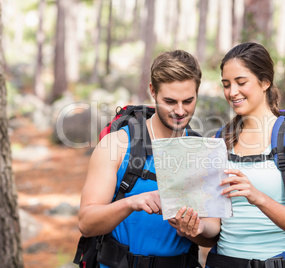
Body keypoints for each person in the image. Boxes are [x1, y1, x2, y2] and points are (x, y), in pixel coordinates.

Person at [177, 42, 285, 267]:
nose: (232, 92)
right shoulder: (219, 141)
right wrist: (195, 228)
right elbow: (214, 227)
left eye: (241, 82)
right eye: (226, 84)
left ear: (265, 82)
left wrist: (257, 197)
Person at [78, 50, 218, 268]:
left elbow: (210, 237)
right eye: (170, 101)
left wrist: (194, 230)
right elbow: (87, 223)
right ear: (153, 91)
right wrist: (131, 203)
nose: (180, 111)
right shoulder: (117, 144)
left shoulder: (202, 152)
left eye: (188, 101)